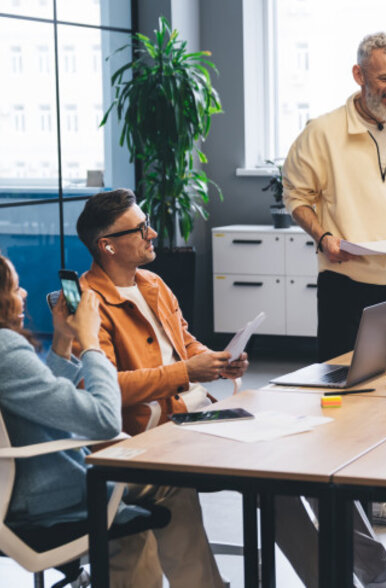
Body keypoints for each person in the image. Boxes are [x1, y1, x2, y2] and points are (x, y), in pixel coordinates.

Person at [0, 240, 162, 585]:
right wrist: (91, 343)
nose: (23, 293)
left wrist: (61, 341)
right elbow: (104, 421)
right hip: (38, 499)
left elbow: (39, 402)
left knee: (135, 523)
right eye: (13, 287)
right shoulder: (0, 345)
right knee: (170, 484)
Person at [282, 31, 386, 531]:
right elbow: (297, 197)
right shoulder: (323, 133)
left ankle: (381, 493)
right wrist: (323, 234)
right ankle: (344, 501)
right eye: (385, 78)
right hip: (346, 282)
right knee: (345, 398)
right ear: (359, 77)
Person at [77, 189, 239, 587]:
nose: (151, 234)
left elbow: (184, 342)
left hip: (196, 415)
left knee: (284, 469)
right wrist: (187, 371)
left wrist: (216, 360)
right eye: (140, 228)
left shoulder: (152, 283)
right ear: (107, 246)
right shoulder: (89, 303)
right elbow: (106, 386)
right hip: (157, 431)